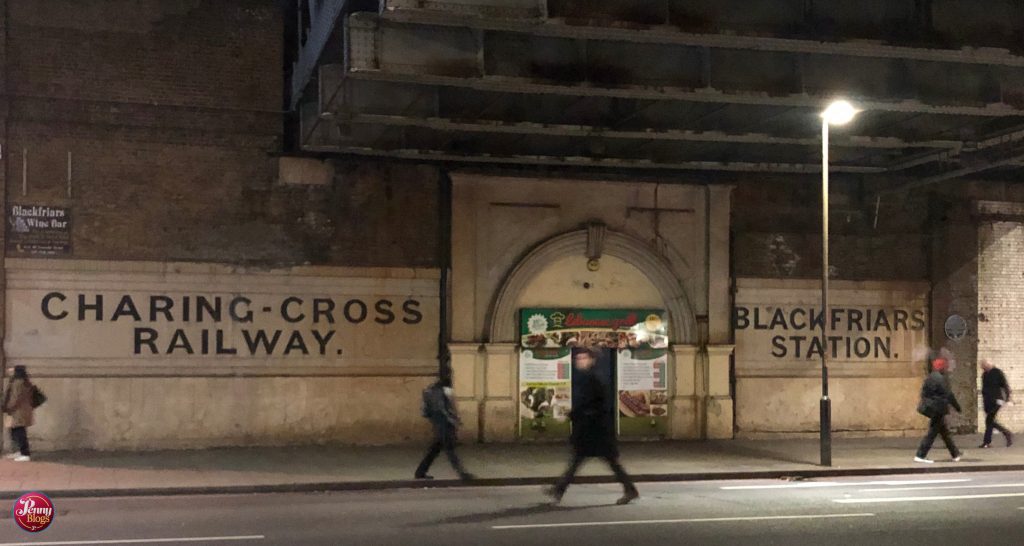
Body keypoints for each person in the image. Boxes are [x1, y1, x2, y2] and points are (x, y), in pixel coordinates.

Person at [547, 347, 638, 505]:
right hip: (592, 431)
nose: (579, 361)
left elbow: (595, 405)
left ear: (591, 360)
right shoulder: (588, 378)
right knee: (580, 461)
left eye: (583, 358)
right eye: (578, 358)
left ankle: (630, 489)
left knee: (604, 462)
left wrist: (573, 415)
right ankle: (559, 489)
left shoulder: (594, 379)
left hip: (597, 432)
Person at [415, 366, 475, 481]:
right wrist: (455, 421)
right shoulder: (447, 391)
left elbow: (425, 411)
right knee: (450, 450)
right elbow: (450, 409)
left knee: (435, 449)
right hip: (445, 424)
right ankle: (462, 473)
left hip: (437, 423)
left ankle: (420, 472)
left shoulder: (429, 390)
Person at [914, 356, 963, 463]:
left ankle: (955, 454)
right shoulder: (940, 379)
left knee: (944, 432)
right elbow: (949, 394)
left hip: (933, 408)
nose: (945, 369)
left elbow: (924, 393)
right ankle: (920, 455)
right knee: (932, 433)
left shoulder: (930, 377)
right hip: (938, 409)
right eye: (944, 367)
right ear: (941, 367)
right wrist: (957, 407)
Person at [2, 366, 34, 462]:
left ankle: (25, 453)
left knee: (20, 431)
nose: (9, 371)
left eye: (12, 370)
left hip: (18, 411)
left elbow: (15, 398)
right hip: (20, 410)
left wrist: (8, 407)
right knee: (15, 430)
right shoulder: (23, 381)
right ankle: (20, 451)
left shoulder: (18, 383)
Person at [979, 359, 1014, 448]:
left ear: (988, 365)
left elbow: (1005, 385)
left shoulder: (997, 373)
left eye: (983, 366)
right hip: (987, 401)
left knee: (989, 420)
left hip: (997, 400)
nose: (982, 367)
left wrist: (1008, 398)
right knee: (989, 421)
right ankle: (989, 441)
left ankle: (1005, 433)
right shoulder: (984, 374)